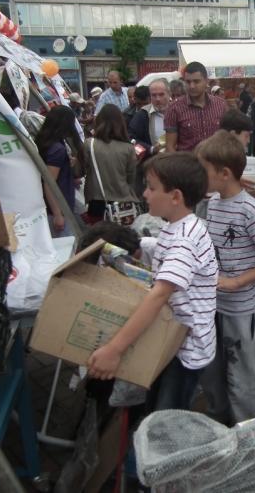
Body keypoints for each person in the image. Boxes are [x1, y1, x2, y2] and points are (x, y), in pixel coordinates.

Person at [87, 153, 218, 413]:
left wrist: (114, 349)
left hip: (186, 351)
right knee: (155, 408)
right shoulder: (176, 227)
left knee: (165, 422)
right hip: (172, 340)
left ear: (176, 197)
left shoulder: (184, 241)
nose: (144, 193)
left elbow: (159, 296)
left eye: (150, 187)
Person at [195, 132, 255, 423]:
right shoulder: (213, 203)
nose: (199, 175)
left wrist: (236, 282)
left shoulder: (250, 209)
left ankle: (249, 428)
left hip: (241, 308)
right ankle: (219, 420)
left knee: (243, 372)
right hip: (213, 306)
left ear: (223, 173)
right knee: (213, 369)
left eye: (203, 169)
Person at [35, 106, 87, 238]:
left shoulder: (49, 143)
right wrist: (58, 214)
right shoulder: (58, 149)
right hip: (59, 208)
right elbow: (49, 183)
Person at [83, 105, 139, 224]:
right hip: (124, 206)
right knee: (122, 240)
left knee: (99, 241)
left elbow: (78, 171)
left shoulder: (89, 144)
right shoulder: (128, 148)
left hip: (97, 203)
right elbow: (130, 179)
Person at [164, 61, 227, 152]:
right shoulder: (175, 108)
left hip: (216, 163)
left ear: (206, 82)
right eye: (188, 82)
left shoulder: (220, 105)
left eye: (196, 81)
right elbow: (170, 147)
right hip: (187, 164)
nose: (192, 86)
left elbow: (227, 138)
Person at [129, 78, 171, 199]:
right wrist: (151, 149)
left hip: (175, 167)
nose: (158, 99)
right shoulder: (142, 115)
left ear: (169, 94)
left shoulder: (178, 111)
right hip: (151, 168)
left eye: (161, 94)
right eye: (154, 95)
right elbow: (131, 139)